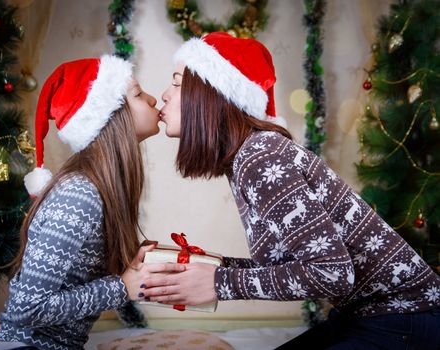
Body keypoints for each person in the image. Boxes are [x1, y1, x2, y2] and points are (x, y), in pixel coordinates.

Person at [141, 32, 440, 349]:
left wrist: (219, 282)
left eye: (176, 82)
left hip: (406, 317)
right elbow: (291, 266)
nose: (164, 95)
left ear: (212, 92)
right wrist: (205, 267)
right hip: (367, 315)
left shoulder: (261, 159)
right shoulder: (249, 155)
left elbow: (333, 273)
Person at [0, 55, 184, 350]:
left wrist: (128, 272)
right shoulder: (79, 196)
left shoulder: (101, 189)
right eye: (137, 94)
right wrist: (122, 287)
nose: (153, 98)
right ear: (110, 117)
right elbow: (26, 309)